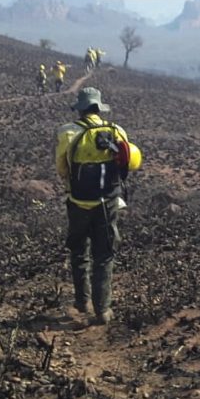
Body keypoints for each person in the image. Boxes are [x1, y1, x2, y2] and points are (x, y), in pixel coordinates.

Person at [55, 87, 142, 325]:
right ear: (99, 107)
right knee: (104, 255)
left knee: (78, 250)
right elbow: (129, 162)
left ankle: (82, 302)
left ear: (81, 108)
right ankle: (102, 310)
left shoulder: (68, 133)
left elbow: (62, 168)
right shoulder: (117, 131)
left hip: (78, 203)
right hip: (108, 203)